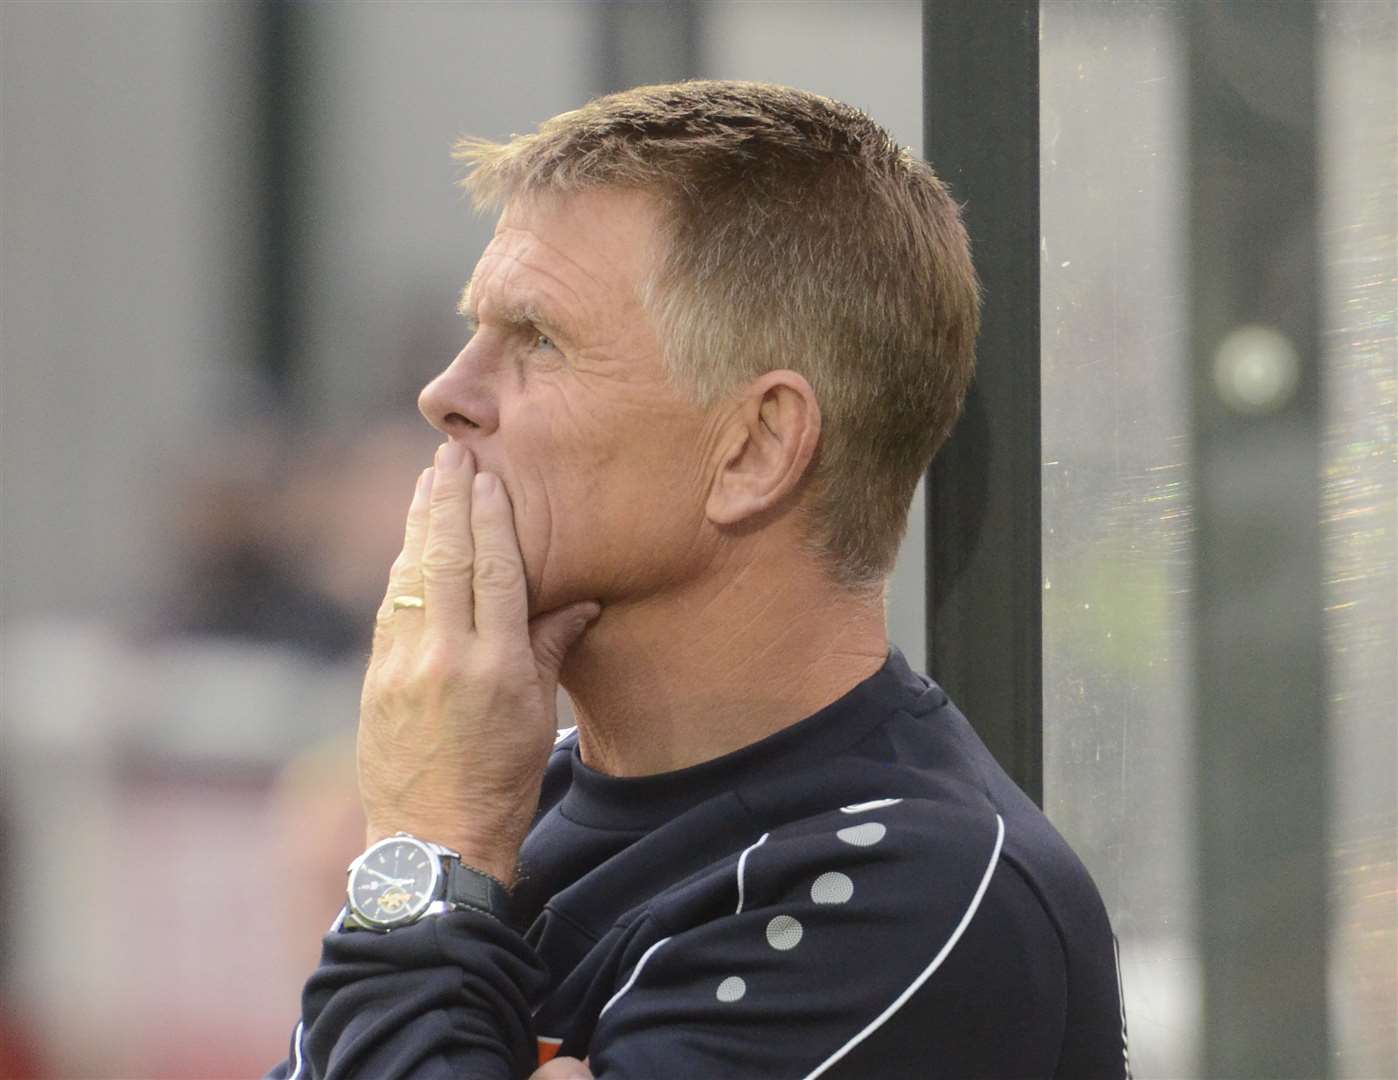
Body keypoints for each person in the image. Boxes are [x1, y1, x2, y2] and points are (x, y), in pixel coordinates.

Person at [266, 80, 1129, 1080]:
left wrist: (424, 858)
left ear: (755, 449)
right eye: (475, 332)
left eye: (538, 340)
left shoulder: (918, 892)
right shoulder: (512, 798)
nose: (445, 394)